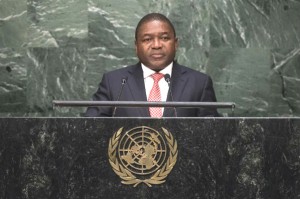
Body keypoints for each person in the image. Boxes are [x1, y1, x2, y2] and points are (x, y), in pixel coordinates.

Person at [85, 13, 219, 117]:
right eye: (147, 39)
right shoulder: (114, 83)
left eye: (164, 38)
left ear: (176, 43)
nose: (156, 45)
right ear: (137, 46)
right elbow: (91, 127)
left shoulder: (199, 83)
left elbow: (211, 136)